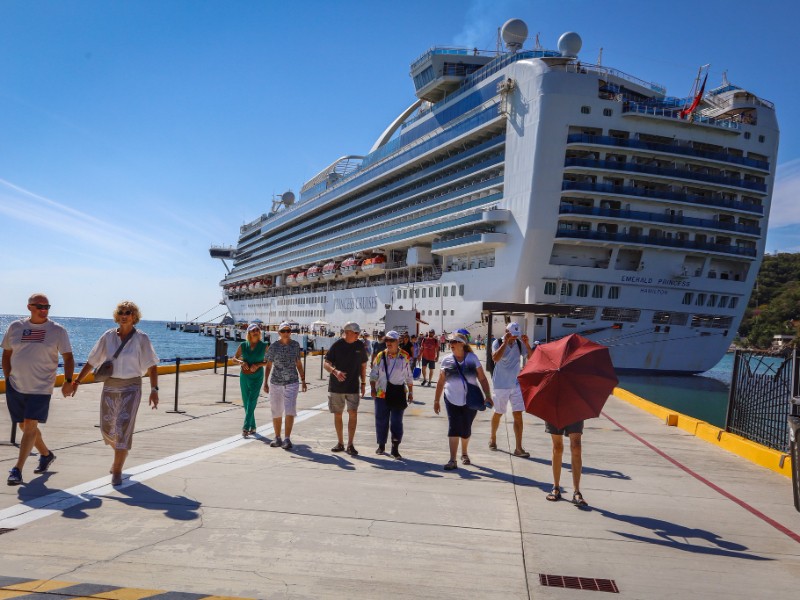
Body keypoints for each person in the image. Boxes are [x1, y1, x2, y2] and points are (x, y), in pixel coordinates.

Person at [73, 301, 159, 486]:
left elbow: (152, 365)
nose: (124, 315)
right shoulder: (108, 336)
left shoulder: (141, 338)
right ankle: (122, 450)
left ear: (134, 316)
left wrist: (154, 389)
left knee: (123, 430)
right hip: (110, 386)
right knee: (107, 429)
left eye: (128, 312)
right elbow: (92, 360)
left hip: (132, 386)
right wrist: (77, 381)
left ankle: (117, 469)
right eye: (121, 312)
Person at [2, 293, 74, 486]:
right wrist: (8, 377)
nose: (44, 310)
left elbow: (68, 357)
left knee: (30, 424)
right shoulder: (15, 327)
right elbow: (7, 353)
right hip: (16, 385)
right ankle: (46, 454)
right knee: (25, 427)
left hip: (41, 387)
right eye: (39, 306)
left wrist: (68, 380)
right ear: (29, 307)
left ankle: (17, 469)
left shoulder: (57, 330)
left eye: (47, 307)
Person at [433, 332, 492, 471]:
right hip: (451, 398)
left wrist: (488, 395)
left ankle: (464, 453)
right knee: (453, 427)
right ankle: (452, 459)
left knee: (466, 428)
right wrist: (436, 400)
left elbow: (482, 379)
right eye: (450, 342)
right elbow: (441, 382)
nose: (450, 344)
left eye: (454, 342)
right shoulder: (446, 360)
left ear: (462, 344)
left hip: (470, 400)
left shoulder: (472, 358)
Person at [489, 322, 534, 458]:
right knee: (499, 412)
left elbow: (532, 359)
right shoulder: (497, 342)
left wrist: (526, 343)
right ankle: (493, 437)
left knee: (518, 415)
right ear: (506, 332)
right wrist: (505, 342)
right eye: (512, 335)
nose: (514, 338)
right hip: (501, 384)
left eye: (516, 335)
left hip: (516, 385)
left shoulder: (519, 344)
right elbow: (495, 358)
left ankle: (518, 448)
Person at [324, 321, 368, 455]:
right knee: (338, 414)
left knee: (353, 413)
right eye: (356, 333)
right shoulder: (337, 345)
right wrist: (335, 372)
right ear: (347, 332)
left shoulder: (360, 345)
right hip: (336, 386)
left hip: (353, 386)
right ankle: (340, 443)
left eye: (358, 333)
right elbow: (326, 363)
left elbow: (363, 366)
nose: (358, 335)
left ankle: (350, 444)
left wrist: (363, 383)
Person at [370, 331, 414, 458]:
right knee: (381, 419)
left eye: (391, 340)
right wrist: (372, 388)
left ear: (398, 341)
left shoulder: (404, 356)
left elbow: (409, 375)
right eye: (387, 340)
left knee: (396, 421)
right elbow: (374, 373)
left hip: (398, 393)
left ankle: (395, 447)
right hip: (381, 392)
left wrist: (411, 392)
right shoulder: (380, 356)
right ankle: (381, 445)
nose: (388, 343)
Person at [263, 322, 307, 449]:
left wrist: (303, 380)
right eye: (283, 331)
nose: (286, 333)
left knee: (290, 410)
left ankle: (287, 438)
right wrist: (265, 382)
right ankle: (277, 437)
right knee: (276, 410)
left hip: (292, 382)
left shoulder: (295, 345)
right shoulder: (273, 346)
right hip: (276, 383)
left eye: (288, 331)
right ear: (279, 333)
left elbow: (298, 363)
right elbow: (269, 365)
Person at [233, 323, 267, 437]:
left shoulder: (264, 345)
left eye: (257, 330)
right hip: (244, 376)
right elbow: (234, 358)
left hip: (257, 377)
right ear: (249, 333)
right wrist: (241, 362)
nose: (255, 332)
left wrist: (258, 364)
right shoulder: (243, 345)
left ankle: (246, 427)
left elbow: (271, 360)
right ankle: (253, 426)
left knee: (252, 400)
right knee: (246, 401)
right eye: (253, 330)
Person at [545, 420, 588, 507]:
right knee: (557, 447)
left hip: (574, 408)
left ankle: (577, 491)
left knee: (576, 447)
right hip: (554, 409)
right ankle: (556, 487)